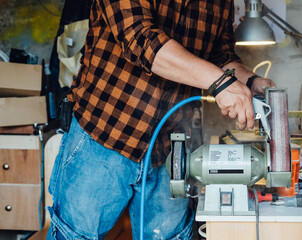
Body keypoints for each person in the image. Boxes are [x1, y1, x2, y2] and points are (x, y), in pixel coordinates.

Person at [46, 0, 276, 239]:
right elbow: (141, 38)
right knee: (74, 236)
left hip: (170, 150)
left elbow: (220, 56)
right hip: (104, 136)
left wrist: (249, 81)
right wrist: (221, 83)